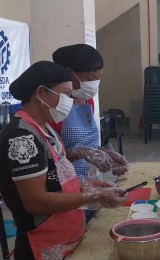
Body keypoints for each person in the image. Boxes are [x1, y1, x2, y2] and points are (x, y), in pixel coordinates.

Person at [0, 61, 127, 259]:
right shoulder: (21, 137)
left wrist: (89, 186)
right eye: (66, 94)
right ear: (41, 93)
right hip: (43, 246)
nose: (69, 100)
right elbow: (36, 202)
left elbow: (55, 179)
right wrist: (94, 197)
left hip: (65, 239)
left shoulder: (45, 127)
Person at [50, 44, 128, 181]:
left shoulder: (87, 101)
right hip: (65, 184)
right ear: (69, 73)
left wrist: (107, 153)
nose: (95, 84)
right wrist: (83, 153)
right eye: (90, 79)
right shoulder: (54, 108)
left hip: (91, 179)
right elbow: (50, 156)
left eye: (99, 78)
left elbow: (88, 145)